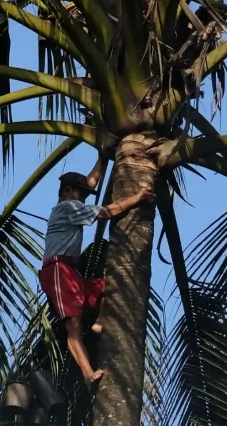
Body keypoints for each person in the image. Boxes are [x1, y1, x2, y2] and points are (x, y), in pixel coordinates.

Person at [39, 155, 154, 386]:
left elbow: (91, 182)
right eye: (80, 194)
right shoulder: (68, 207)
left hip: (69, 271)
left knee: (111, 284)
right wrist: (138, 197)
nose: (82, 198)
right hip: (57, 270)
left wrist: (102, 157)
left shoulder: (72, 202)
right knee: (73, 325)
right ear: (67, 191)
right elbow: (106, 212)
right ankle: (87, 373)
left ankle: (99, 322)